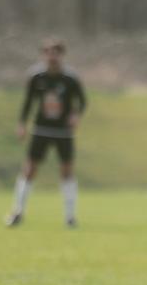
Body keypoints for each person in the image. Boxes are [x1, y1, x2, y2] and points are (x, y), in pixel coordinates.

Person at [6, 38, 87, 228]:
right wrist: (22, 123)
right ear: (43, 55)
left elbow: (82, 101)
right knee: (29, 169)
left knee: (67, 171)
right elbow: (28, 101)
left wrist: (76, 115)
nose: (52, 57)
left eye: (55, 53)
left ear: (61, 55)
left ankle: (70, 216)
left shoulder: (70, 78)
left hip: (63, 132)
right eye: (48, 53)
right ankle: (18, 211)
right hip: (41, 129)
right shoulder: (36, 77)